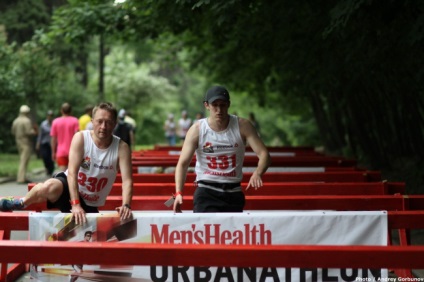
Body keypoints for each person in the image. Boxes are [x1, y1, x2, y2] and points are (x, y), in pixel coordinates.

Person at [0, 102, 133, 226]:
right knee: (48, 187)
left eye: (108, 122)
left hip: (90, 202)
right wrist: (75, 204)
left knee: (88, 236)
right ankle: (21, 202)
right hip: (69, 188)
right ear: (92, 121)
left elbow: (127, 180)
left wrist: (126, 205)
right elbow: (72, 172)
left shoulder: (122, 148)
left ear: (115, 124)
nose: (103, 127)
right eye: (99, 121)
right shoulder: (81, 138)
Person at [173, 86, 271, 213]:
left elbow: (264, 155)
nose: (219, 110)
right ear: (206, 105)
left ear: (229, 104)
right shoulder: (197, 130)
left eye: (223, 105)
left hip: (234, 192)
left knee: (233, 233)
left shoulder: (243, 126)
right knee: (206, 232)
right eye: (215, 105)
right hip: (206, 192)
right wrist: (178, 193)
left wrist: (258, 173)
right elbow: (182, 164)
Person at [11, 105, 37, 184]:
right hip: (26, 143)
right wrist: (34, 131)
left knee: (22, 159)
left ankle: (23, 177)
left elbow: (12, 131)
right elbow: (29, 132)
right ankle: (21, 178)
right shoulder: (26, 121)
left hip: (18, 142)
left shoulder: (16, 120)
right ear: (27, 112)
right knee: (24, 160)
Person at [51, 103, 80, 172]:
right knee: (73, 173)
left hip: (60, 151)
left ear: (61, 110)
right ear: (71, 111)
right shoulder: (75, 121)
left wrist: (53, 152)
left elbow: (53, 139)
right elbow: (78, 136)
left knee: (63, 173)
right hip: (73, 151)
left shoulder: (55, 122)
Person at [36, 110, 55, 176]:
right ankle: (47, 167)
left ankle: (51, 169)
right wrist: (38, 143)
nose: (50, 117)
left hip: (52, 143)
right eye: (49, 116)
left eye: (51, 116)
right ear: (47, 116)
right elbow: (40, 134)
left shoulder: (54, 123)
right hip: (44, 143)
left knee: (51, 157)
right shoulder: (43, 124)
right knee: (45, 156)